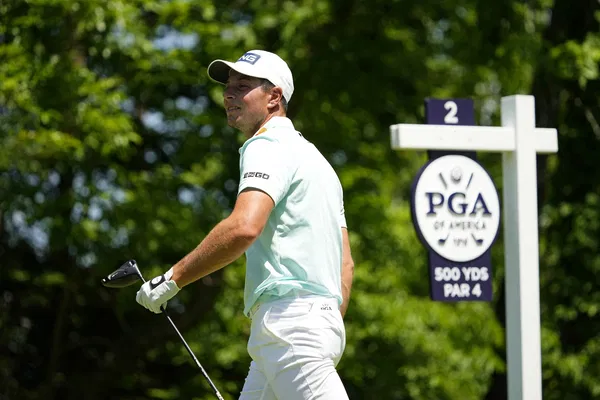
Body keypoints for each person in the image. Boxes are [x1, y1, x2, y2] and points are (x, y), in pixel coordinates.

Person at [135, 49, 355, 400]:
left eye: (242, 86)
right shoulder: (319, 163)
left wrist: (172, 279)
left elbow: (244, 227)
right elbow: (345, 266)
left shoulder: (267, 143)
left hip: (289, 325)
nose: (228, 94)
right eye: (228, 87)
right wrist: (322, 322)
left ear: (274, 97)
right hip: (314, 324)